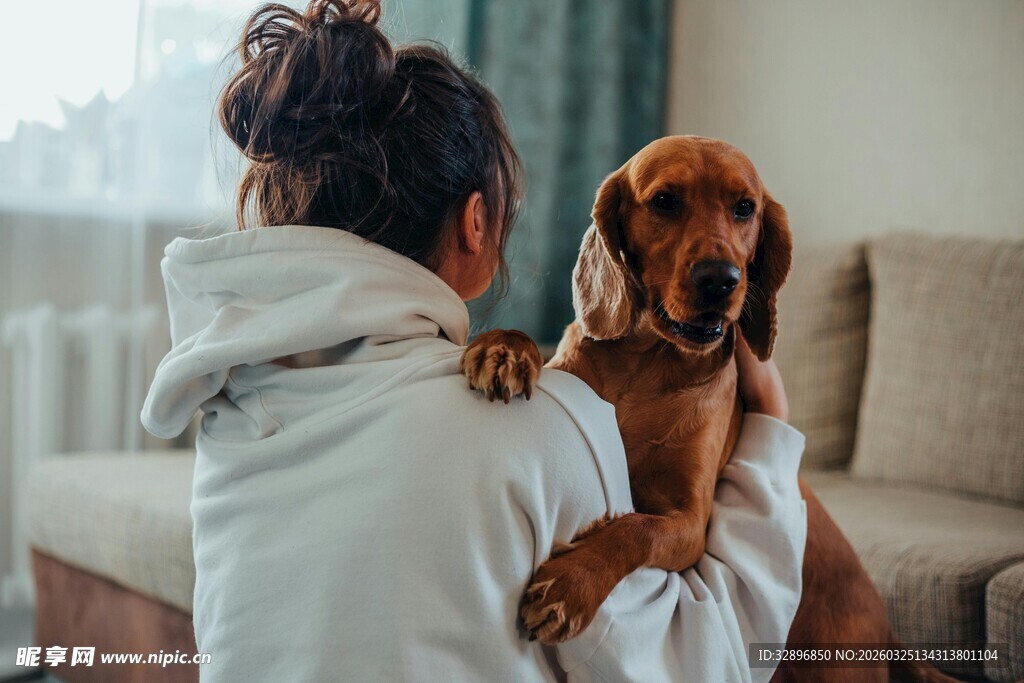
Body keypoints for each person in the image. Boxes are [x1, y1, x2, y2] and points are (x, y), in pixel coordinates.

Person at [141, 1, 807, 680]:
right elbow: (708, 665)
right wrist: (772, 434)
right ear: (475, 221)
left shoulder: (229, 415)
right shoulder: (536, 432)